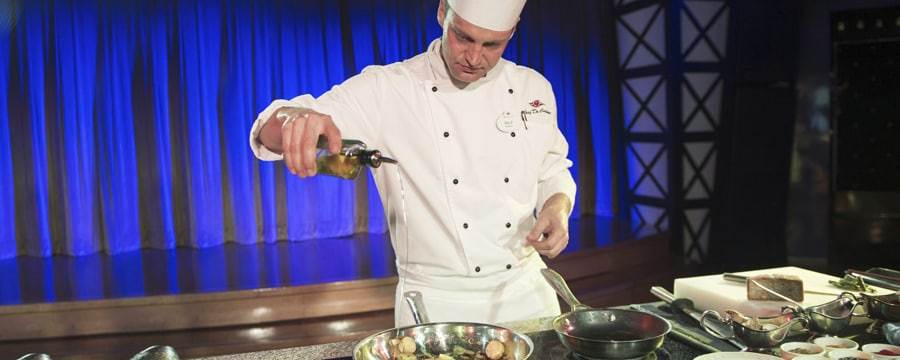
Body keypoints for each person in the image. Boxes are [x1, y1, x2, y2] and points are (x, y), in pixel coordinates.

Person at [249, 0, 576, 327]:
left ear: (513, 32)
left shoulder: (533, 89)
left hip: (528, 292)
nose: (474, 58)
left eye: (492, 44)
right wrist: (295, 119)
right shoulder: (388, 89)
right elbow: (271, 129)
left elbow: (553, 169)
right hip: (436, 304)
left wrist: (557, 208)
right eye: (463, 38)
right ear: (442, 12)